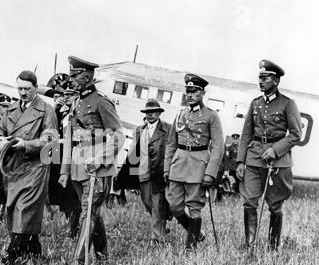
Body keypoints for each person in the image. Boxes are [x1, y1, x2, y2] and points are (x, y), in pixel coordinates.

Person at [59, 56, 125, 265]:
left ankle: (77, 263)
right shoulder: (76, 102)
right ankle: (103, 257)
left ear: (87, 76)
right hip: (79, 167)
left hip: (97, 168)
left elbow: (118, 135)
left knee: (88, 212)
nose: (71, 80)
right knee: (92, 212)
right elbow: (70, 138)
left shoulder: (101, 102)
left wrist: (100, 158)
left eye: (75, 76)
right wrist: (64, 170)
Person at [0, 70, 58, 265]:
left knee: (25, 209)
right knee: (13, 209)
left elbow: (51, 141)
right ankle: (32, 249)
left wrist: (26, 144)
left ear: (36, 88)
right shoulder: (11, 109)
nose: (22, 93)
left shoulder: (46, 110)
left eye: (27, 89)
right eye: (19, 88)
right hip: (13, 168)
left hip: (35, 166)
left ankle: (11, 255)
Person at [236, 60, 302, 251]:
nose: (261, 81)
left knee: (275, 204)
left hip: (277, 160)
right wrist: (240, 161)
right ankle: (250, 244)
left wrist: (275, 150)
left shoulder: (288, 104)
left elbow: (296, 134)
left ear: (276, 81)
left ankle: (273, 247)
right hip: (254, 156)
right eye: (260, 77)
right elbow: (246, 133)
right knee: (249, 201)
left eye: (265, 78)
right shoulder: (255, 103)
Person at [164, 74, 224, 252]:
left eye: (194, 91)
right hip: (179, 163)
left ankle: (190, 248)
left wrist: (210, 173)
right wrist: (167, 167)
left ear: (202, 93)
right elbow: (171, 143)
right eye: (188, 91)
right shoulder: (180, 114)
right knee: (174, 206)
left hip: (198, 166)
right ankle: (197, 233)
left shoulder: (211, 116)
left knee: (195, 207)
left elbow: (218, 147)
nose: (190, 95)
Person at [128, 98, 172, 245]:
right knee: (147, 203)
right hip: (142, 172)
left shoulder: (168, 129)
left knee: (158, 204)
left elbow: (171, 151)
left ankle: (157, 237)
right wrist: (133, 177)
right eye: (147, 112)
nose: (150, 115)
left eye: (153, 112)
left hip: (158, 173)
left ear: (159, 113)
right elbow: (133, 154)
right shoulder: (139, 130)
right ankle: (161, 225)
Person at [44, 73, 82, 239]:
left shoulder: (79, 112)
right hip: (57, 155)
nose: (65, 98)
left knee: (72, 194)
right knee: (59, 192)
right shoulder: (58, 112)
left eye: (69, 94)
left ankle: (72, 228)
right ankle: (70, 225)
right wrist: (57, 111)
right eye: (63, 95)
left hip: (73, 155)